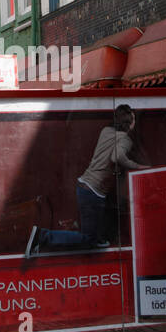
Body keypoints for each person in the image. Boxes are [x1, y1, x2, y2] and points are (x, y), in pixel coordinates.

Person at [26, 105, 149, 256]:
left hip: (84, 185)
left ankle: (98, 240)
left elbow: (107, 158)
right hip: (94, 191)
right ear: (130, 123)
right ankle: (42, 236)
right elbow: (116, 157)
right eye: (133, 119)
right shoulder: (125, 139)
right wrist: (138, 166)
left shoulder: (106, 131)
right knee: (88, 238)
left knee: (95, 234)